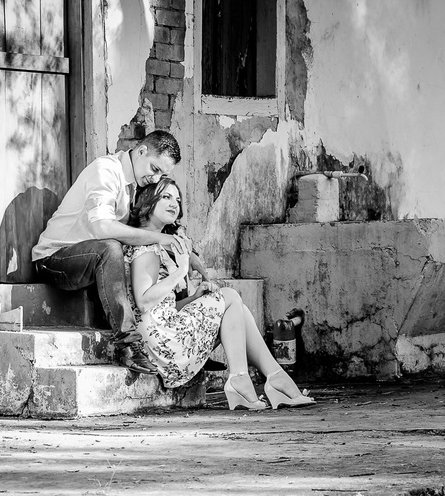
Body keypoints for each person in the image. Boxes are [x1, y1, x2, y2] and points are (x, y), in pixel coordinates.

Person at [125, 179, 315, 410]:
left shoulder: (153, 244)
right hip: (163, 346)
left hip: (163, 338)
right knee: (230, 297)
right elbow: (144, 302)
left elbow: (160, 310)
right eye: (166, 197)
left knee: (237, 309)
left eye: (177, 199)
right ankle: (247, 379)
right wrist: (181, 271)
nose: (174, 203)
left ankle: (273, 377)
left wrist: (194, 299)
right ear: (147, 203)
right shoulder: (146, 249)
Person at [32, 130, 186, 374]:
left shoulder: (135, 185)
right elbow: (102, 228)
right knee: (110, 247)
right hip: (54, 259)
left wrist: (184, 253)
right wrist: (160, 238)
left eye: (162, 175)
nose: (156, 179)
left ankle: (184, 348)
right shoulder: (105, 170)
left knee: (141, 251)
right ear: (142, 151)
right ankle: (128, 345)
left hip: (90, 263)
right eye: (155, 169)